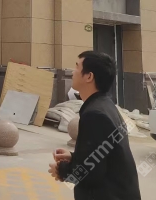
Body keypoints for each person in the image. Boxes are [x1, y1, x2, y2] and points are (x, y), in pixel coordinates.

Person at [48, 51, 141, 200]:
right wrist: (74, 157)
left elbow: (89, 173)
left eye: (77, 67)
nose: (72, 72)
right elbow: (103, 155)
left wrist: (61, 170)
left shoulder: (95, 115)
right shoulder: (105, 106)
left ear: (89, 76)